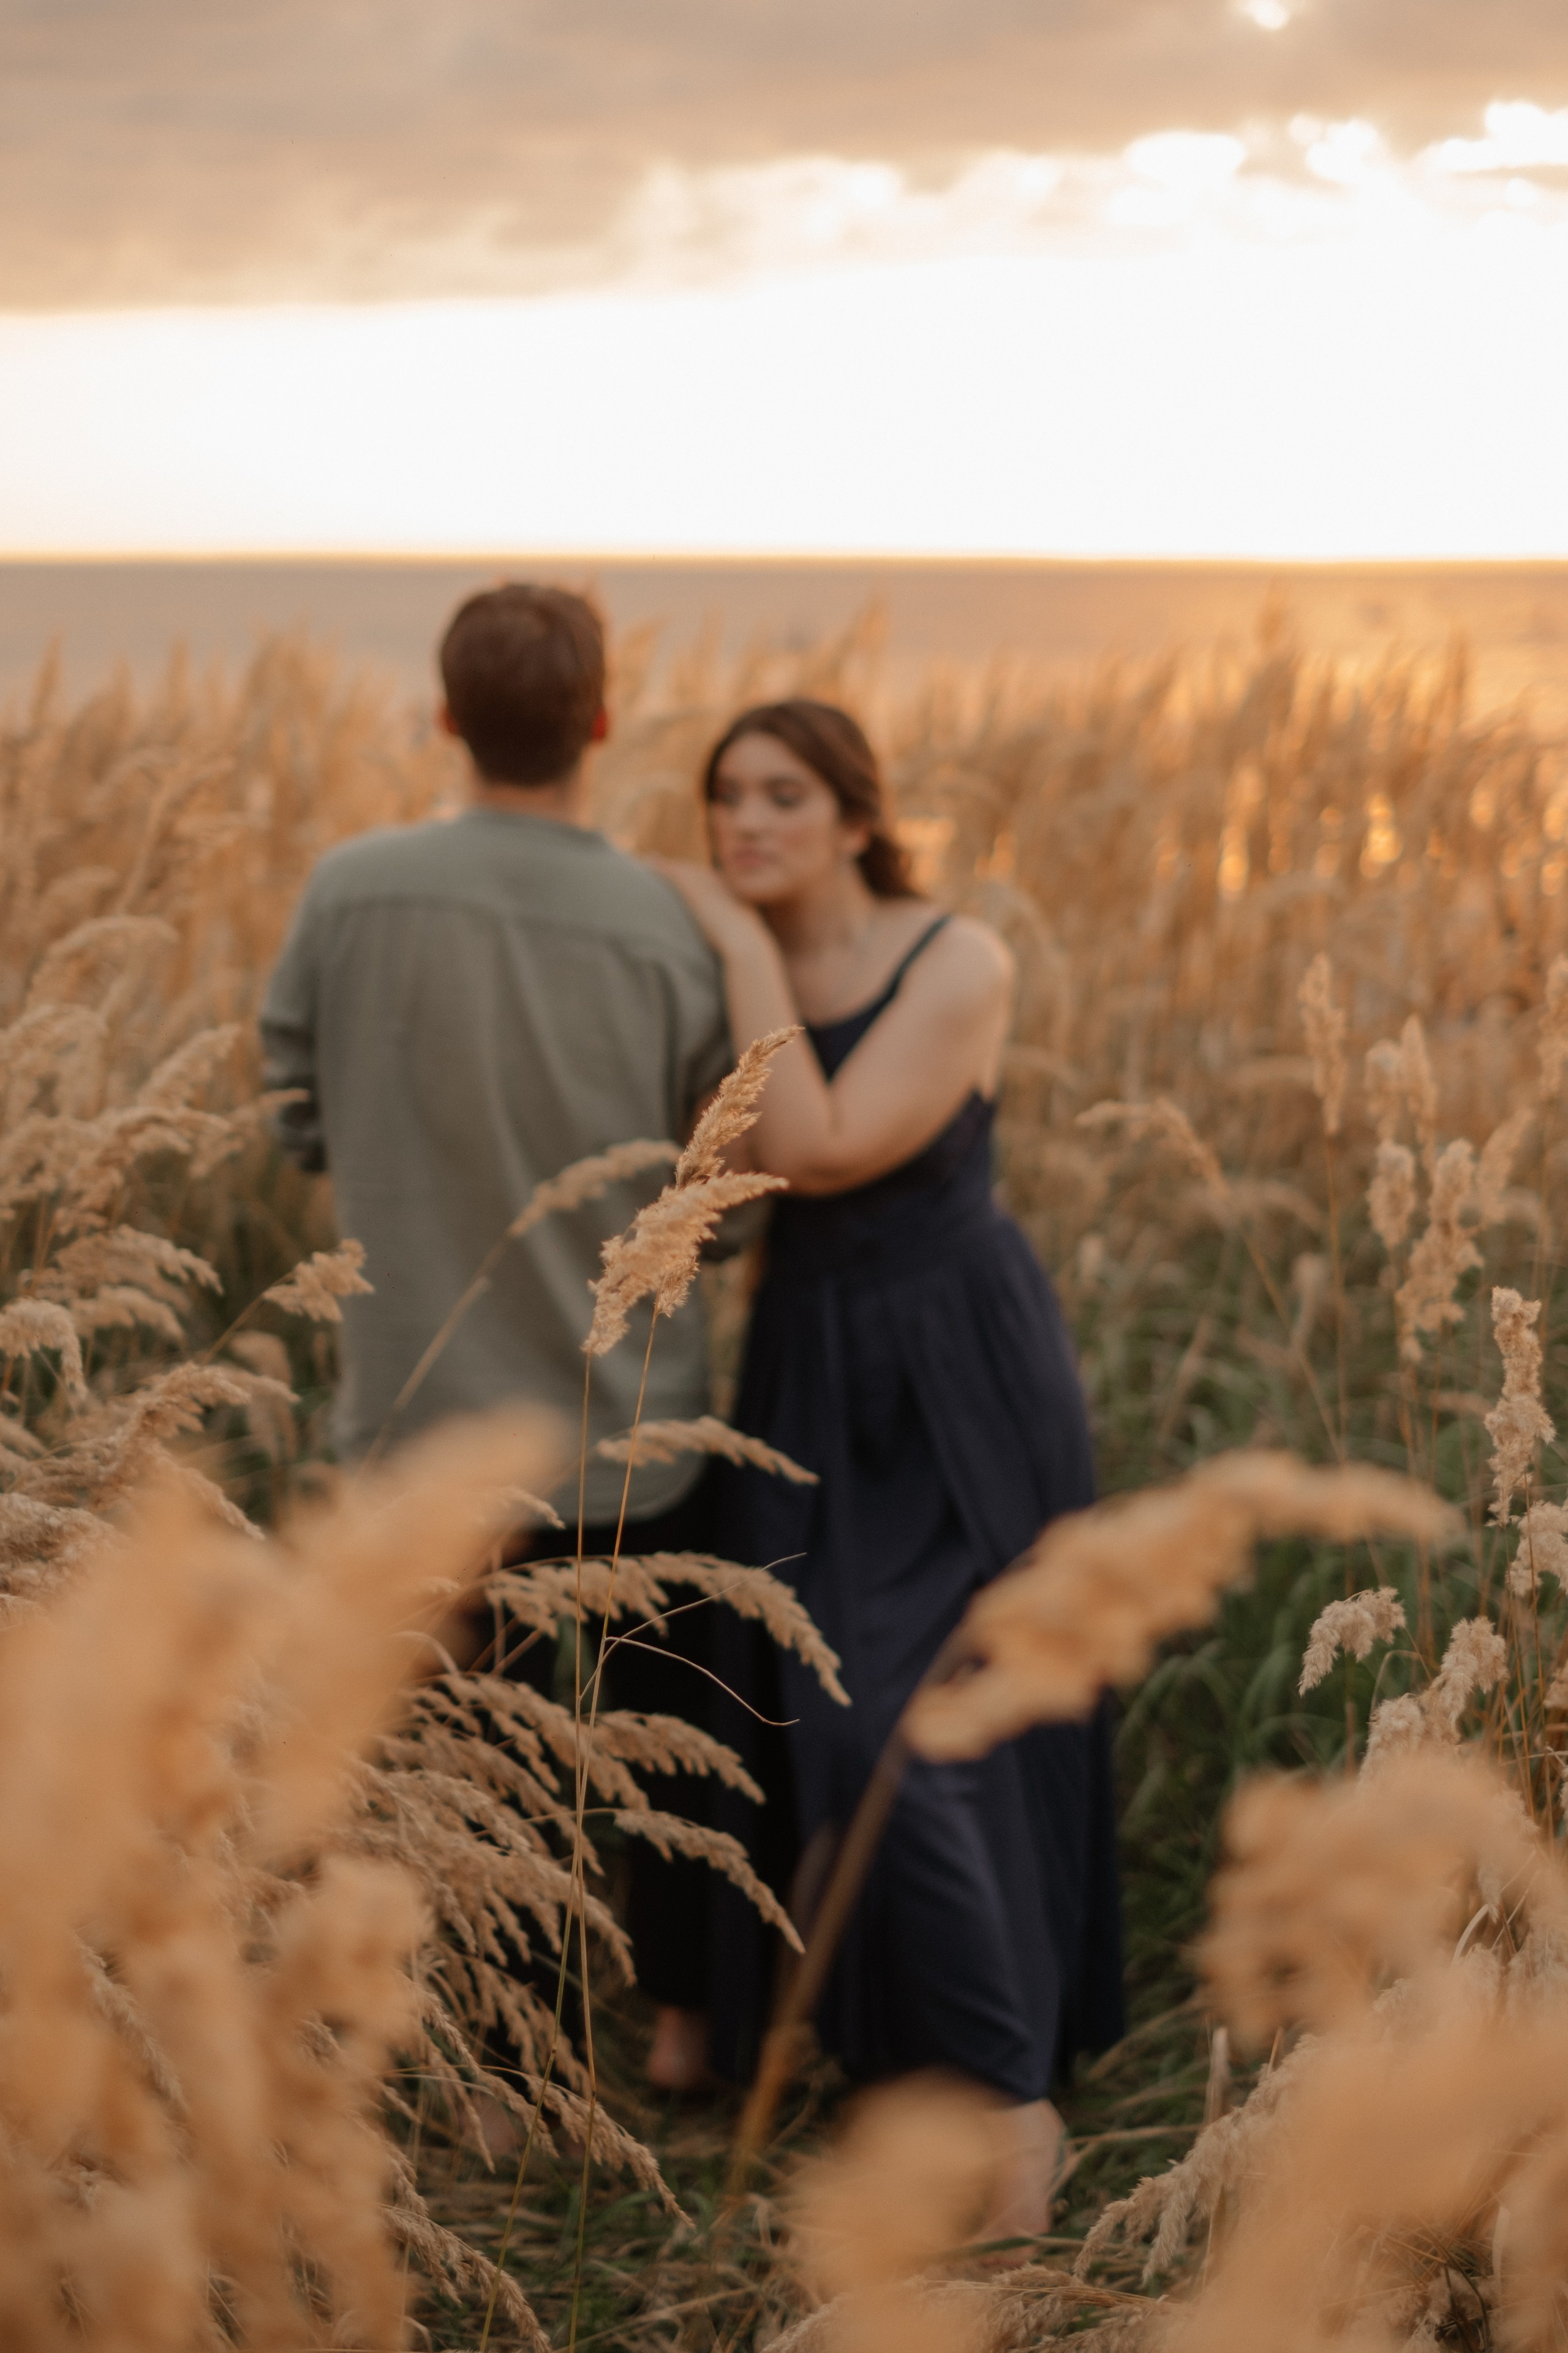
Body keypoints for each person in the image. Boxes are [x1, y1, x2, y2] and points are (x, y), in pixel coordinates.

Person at [656, 697, 1125, 2227]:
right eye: (727, 797)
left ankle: (1015, 2104)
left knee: (924, 1727)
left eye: (784, 795)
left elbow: (829, 1140)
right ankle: (863, 2048)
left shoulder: (954, 958)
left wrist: (731, 947)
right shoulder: (724, 959)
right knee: (818, 1708)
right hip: (807, 1363)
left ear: (857, 815)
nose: (749, 824)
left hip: (955, 1374)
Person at [259, 582, 733, 2091]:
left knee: (461, 1767)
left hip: (415, 1420)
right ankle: (675, 2040)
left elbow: (292, 1114)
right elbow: (713, 1153)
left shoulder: (350, 888)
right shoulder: (664, 920)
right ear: (601, 721)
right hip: (625, 1435)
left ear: (445, 717)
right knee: (649, 1747)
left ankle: (493, 2080)